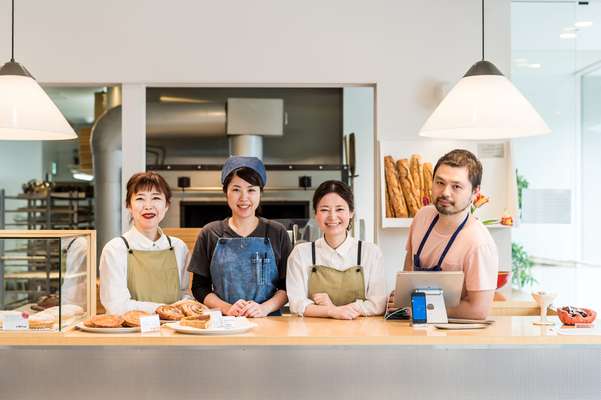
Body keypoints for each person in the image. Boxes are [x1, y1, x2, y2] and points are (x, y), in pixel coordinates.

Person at [390, 149, 499, 320]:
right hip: (414, 330)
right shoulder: (422, 217)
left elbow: (479, 310)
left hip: (455, 337)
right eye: (440, 183)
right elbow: (409, 269)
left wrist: (421, 308)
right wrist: (400, 299)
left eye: (456, 186)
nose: (445, 193)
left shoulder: (479, 243)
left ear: (475, 192)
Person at [188, 156, 292, 317]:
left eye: (251, 190)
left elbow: (287, 287)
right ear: (226, 192)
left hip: (270, 323)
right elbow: (199, 288)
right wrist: (226, 308)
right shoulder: (210, 233)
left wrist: (263, 308)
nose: (244, 198)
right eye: (236, 189)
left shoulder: (277, 232)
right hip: (223, 323)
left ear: (260, 193)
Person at [287, 180, 386, 319]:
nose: (332, 216)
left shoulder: (370, 253)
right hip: (313, 335)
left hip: (359, 336)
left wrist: (333, 308)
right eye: (324, 210)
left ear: (351, 213)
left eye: (339, 209)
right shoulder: (300, 254)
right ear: (316, 214)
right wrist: (332, 311)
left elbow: (378, 304)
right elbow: (296, 304)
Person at [99, 172, 191, 315]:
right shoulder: (115, 249)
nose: (148, 206)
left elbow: (185, 293)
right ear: (128, 205)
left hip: (174, 332)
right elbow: (116, 305)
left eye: (156, 198)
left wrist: (187, 303)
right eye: (140, 198)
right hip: (131, 334)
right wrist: (162, 309)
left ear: (166, 205)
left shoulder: (179, 247)